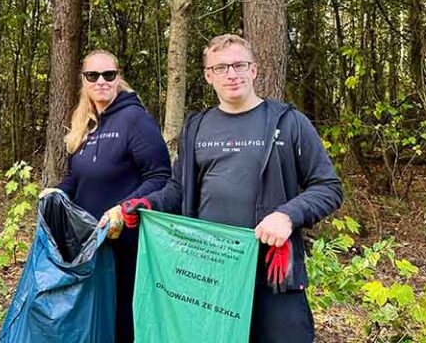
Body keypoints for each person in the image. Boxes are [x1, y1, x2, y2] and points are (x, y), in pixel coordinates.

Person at [119, 34, 343, 343]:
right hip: (211, 274)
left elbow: (328, 187)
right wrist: (150, 204)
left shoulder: (289, 122)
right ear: (209, 76)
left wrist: (288, 216)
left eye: (239, 65)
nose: (232, 74)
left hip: (272, 273)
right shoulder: (196, 126)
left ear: (254, 70)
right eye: (221, 67)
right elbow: (179, 189)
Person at [41, 49, 171, 343]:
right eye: (93, 75)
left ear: (118, 78)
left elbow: (161, 176)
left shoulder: (135, 120)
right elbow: (76, 177)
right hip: (90, 242)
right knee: (95, 316)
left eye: (108, 75)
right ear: (84, 81)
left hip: (125, 240)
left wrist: (123, 209)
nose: (101, 81)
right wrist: (57, 191)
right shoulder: (85, 123)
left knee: (123, 316)